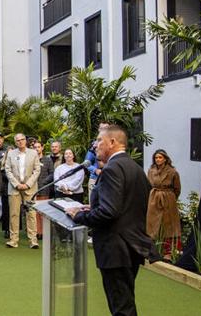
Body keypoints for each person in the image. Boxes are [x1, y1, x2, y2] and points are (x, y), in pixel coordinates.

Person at [68, 125, 153, 316]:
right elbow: (127, 205)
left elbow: (108, 213)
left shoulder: (112, 169)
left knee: (121, 308)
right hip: (131, 247)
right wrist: (95, 207)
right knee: (125, 302)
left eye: (99, 140)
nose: (95, 145)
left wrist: (78, 215)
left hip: (116, 249)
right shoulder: (135, 168)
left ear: (112, 142)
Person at [4, 133, 41, 249]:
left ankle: (33, 240)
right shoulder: (11, 153)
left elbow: (37, 170)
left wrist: (28, 184)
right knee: (14, 214)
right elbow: (7, 170)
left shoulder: (33, 153)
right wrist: (17, 184)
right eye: (18, 140)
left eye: (22, 139)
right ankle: (13, 240)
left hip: (30, 189)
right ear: (15, 142)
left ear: (26, 140)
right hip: (15, 189)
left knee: (31, 214)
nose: (20, 142)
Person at [146, 149, 181, 257]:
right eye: (156, 158)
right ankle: (153, 250)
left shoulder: (172, 172)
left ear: (165, 159)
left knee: (168, 225)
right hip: (154, 198)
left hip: (168, 198)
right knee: (153, 224)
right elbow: (148, 185)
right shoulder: (151, 171)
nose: (158, 160)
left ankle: (168, 252)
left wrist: (170, 198)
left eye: (160, 157)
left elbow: (177, 188)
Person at [34, 140, 54, 239]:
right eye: (35, 147)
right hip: (32, 189)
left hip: (44, 189)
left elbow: (52, 174)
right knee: (34, 213)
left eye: (38, 147)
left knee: (43, 212)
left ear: (42, 148)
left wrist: (44, 182)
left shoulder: (48, 160)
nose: (37, 149)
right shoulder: (31, 159)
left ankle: (43, 232)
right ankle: (36, 232)